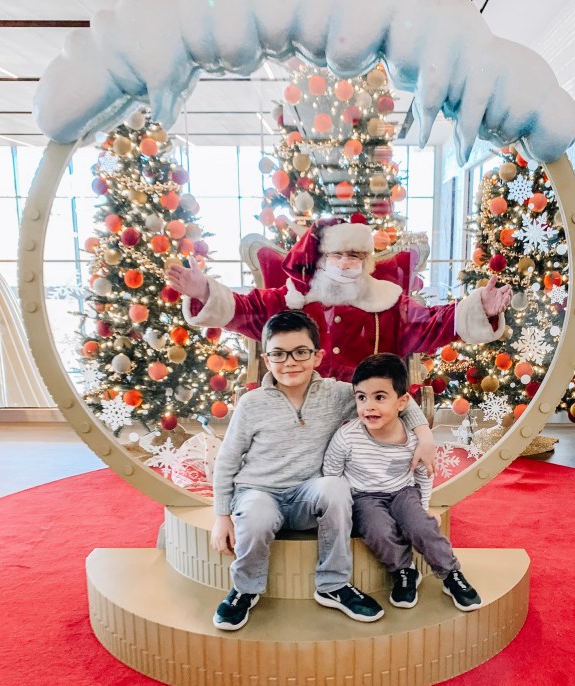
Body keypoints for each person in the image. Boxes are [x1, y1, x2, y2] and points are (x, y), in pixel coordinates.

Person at [210, 311, 435, 632]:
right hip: (259, 493)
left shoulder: (335, 394)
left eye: (301, 352)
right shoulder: (252, 404)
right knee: (256, 514)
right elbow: (228, 460)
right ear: (266, 359)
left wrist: (424, 436)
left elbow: (395, 397)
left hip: (309, 496)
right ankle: (244, 589)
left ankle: (333, 584)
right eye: (279, 354)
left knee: (336, 487)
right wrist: (221, 516)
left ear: (317, 356)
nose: (290, 362)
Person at [166, 218, 513, 383]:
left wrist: (479, 307)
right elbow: (246, 310)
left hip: (363, 409)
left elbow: (431, 323)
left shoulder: (388, 302)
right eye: (338, 255)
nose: (346, 263)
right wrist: (204, 292)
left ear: (366, 261)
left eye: (355, 255)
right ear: (321, 259)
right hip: (298, 407)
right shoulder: (291, 299)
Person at [323, 352, 482, 612]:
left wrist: (424, 506)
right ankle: (404, 571)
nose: (368, 406)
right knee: (378, 530)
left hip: (403, 492)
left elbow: (423, 474)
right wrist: (345, 506)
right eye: (361, 398)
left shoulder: (413, 439)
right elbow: (331, 473)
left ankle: (451, 573)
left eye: (379, 397)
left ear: (402, 402)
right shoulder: (346, 436)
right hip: (363, 497)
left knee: (422, 526)